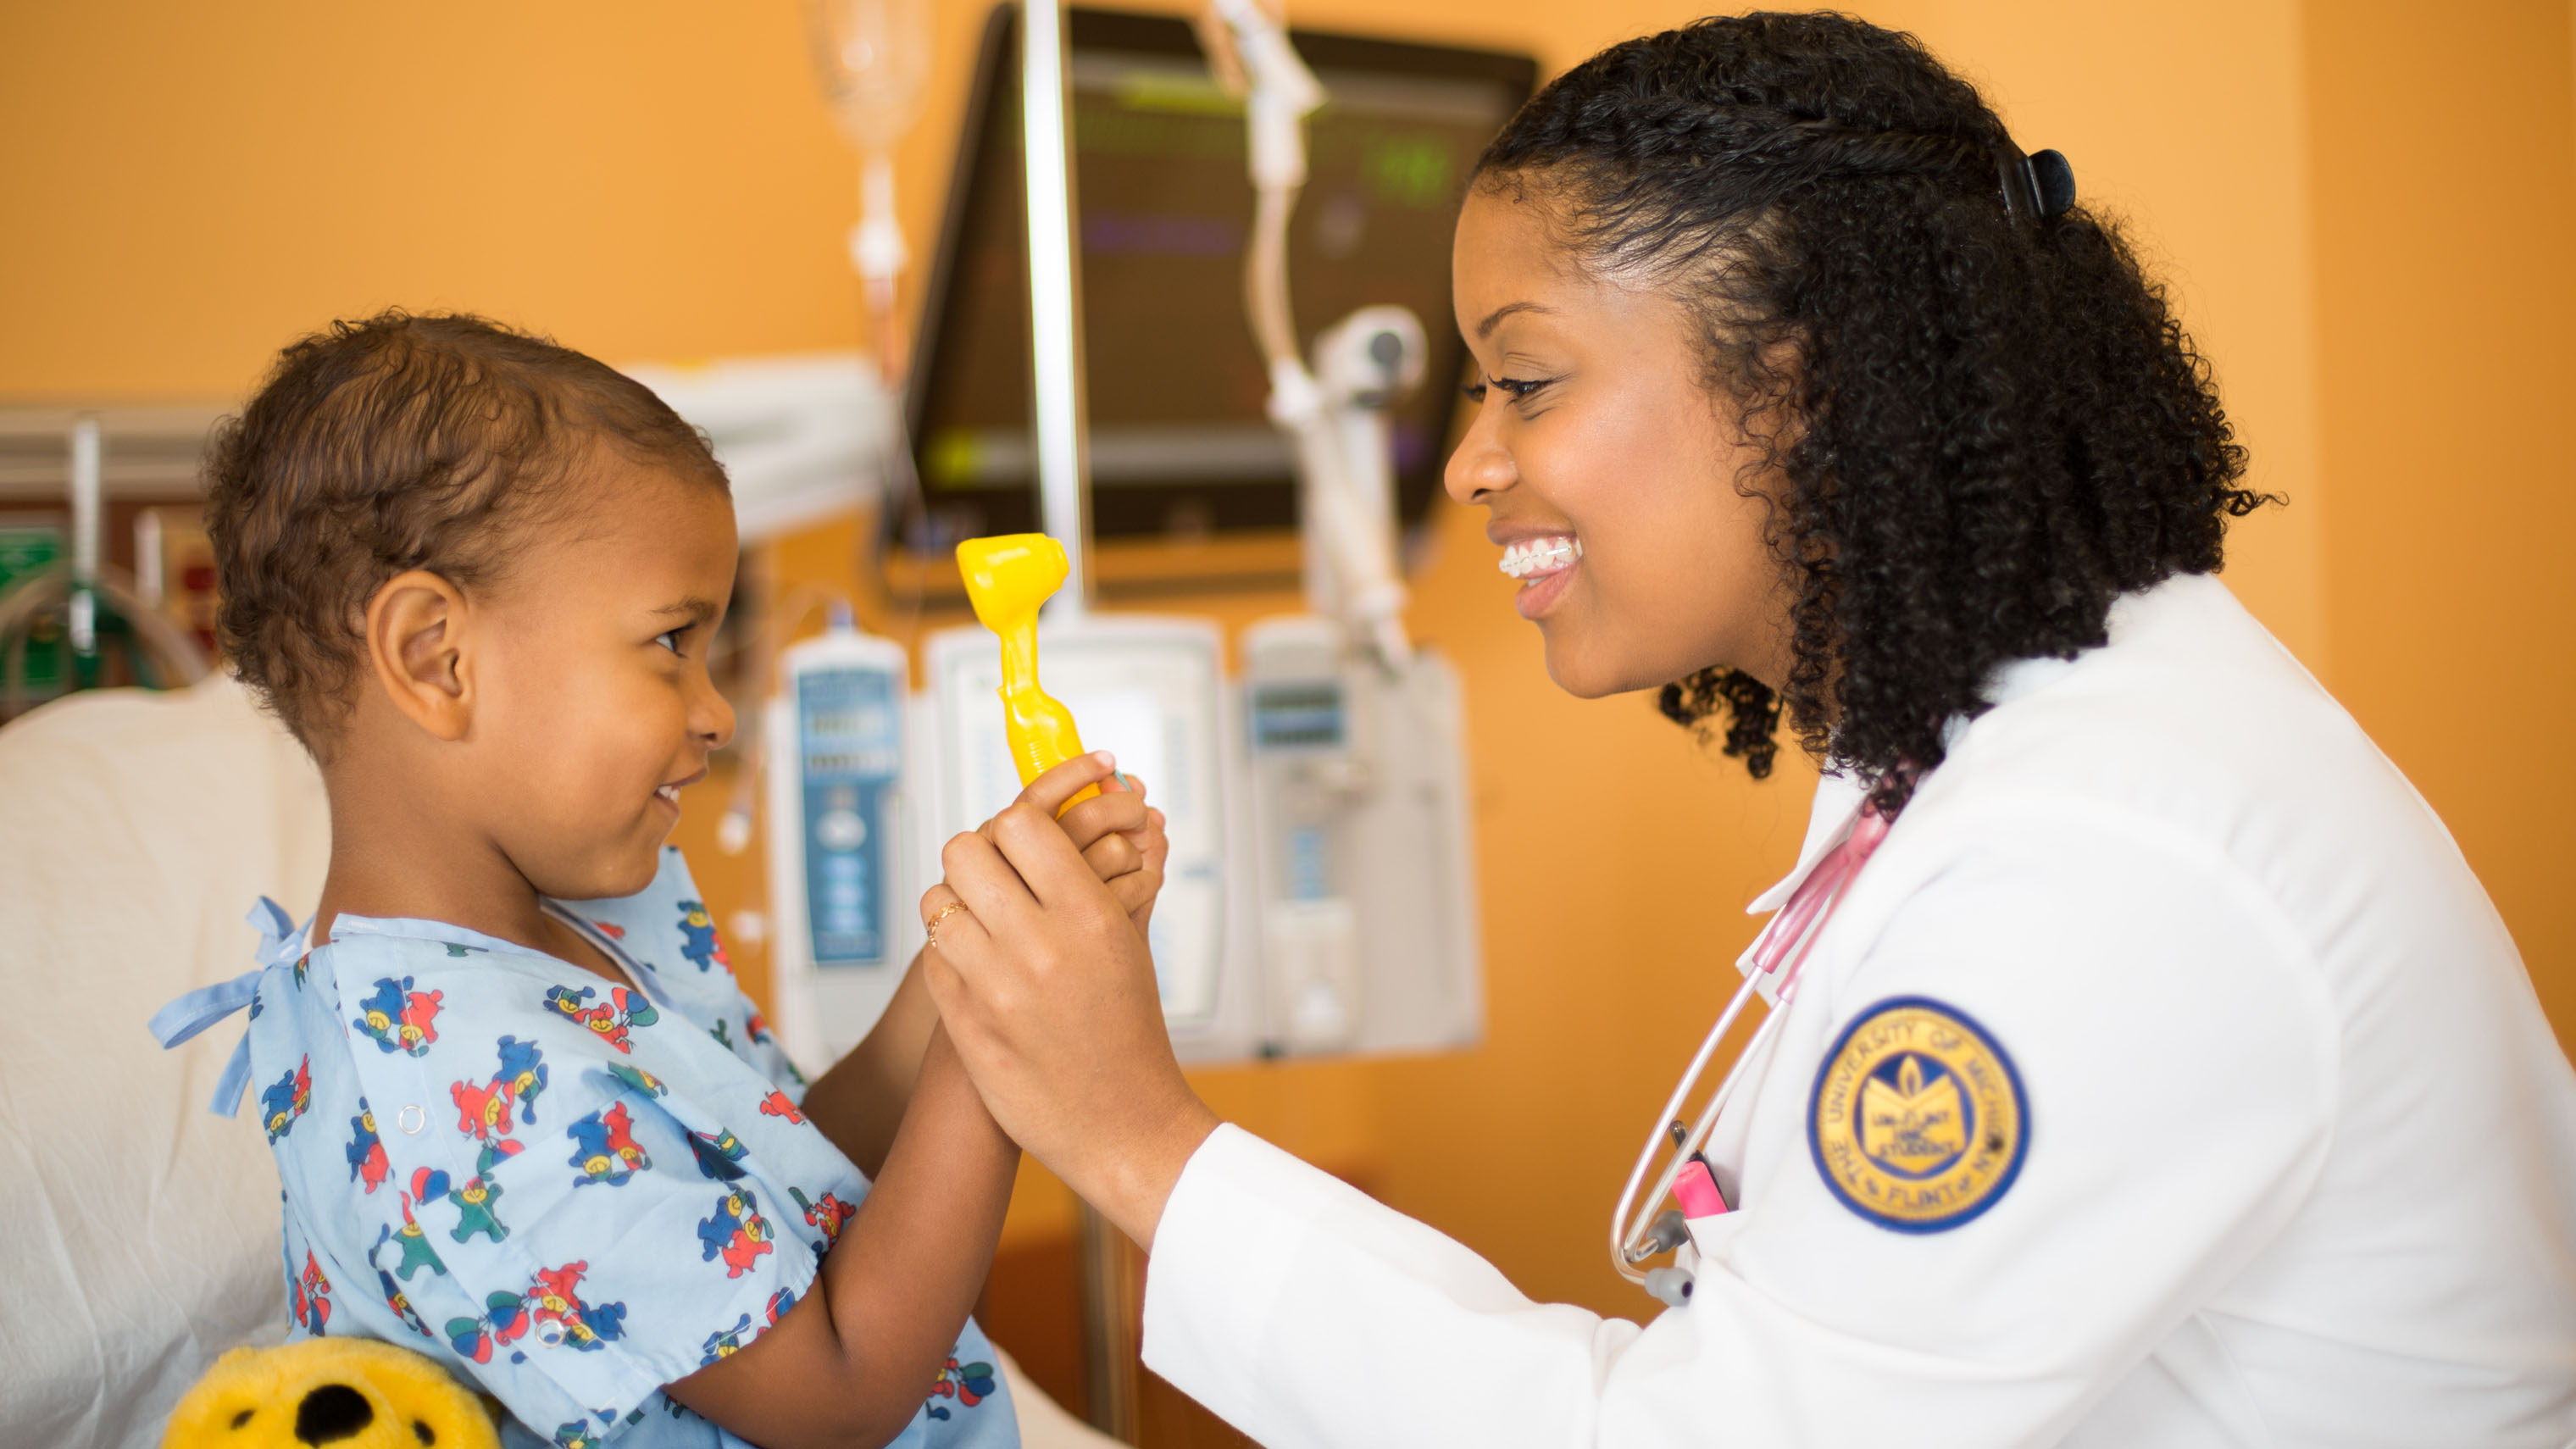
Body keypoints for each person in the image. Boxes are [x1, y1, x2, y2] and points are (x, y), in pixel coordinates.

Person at [915, 14, 2576, 1446]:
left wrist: (1137, 1140)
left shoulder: (2105, 867)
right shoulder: (1989, 765)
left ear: (1803, 382)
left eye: (1527, 381)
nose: (1467, 463)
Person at [154, 313, 1167, 1449]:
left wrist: (976, 953)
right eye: (672, 640)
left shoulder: (582, 920)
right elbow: (836, 1387)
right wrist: (1003, 1037)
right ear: (438, 658)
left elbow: (779, 1179)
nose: (715, 709)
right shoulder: (462, 1089)